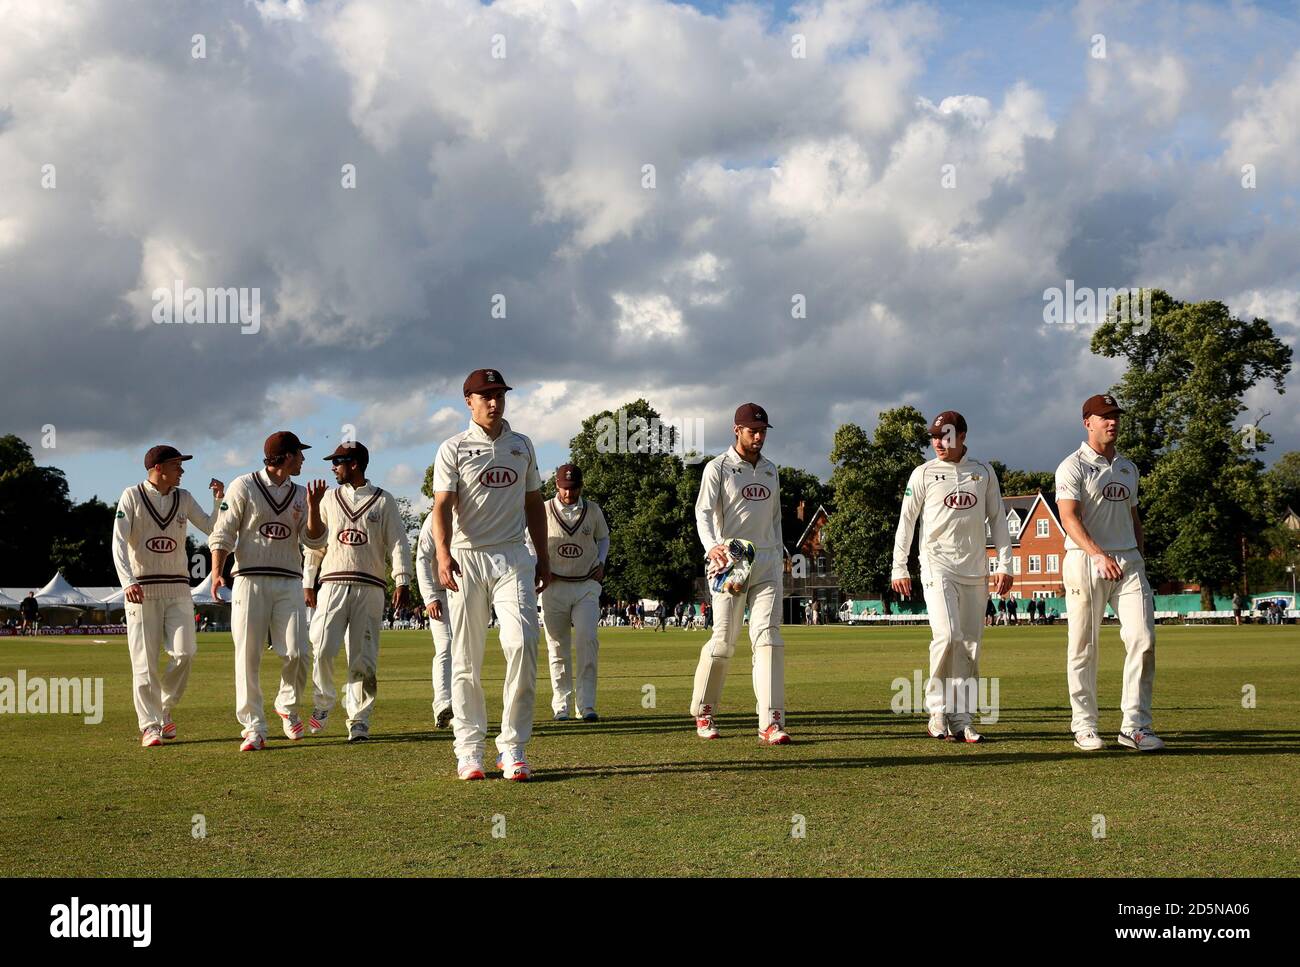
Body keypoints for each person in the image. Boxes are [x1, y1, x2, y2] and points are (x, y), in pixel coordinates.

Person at [432, 368, 549, 781]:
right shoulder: (453, 448)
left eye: (499, 394)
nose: (494, 402)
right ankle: (469, 750)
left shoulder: (522, 445)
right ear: (469, 401)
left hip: (513, 555)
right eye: (485, 396)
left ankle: (513, 747)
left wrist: (544, 556)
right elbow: (442, 506)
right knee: (466, 658)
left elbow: (535, 503)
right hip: (467, 557)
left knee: (522, 644)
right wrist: (443, 554)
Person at [890, 410, 1013, 743]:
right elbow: (907, 522)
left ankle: (962, 717)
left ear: (962, 436)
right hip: (936, 564)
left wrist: (1005, 564)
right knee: (947, 636)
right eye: (934, 437)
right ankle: (937, 711)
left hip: (975, 569)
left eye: (945, 435)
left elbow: (998, 520)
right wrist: (899, 566)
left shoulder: (983, 472)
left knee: (970, 646)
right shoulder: (923, 473)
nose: (938, 443)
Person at [1056, 393, 1163, 752]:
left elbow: (1134, 520)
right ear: (1087, 422)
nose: (1112, 422)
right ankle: (1084, 726)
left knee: (1143, 640)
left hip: (1128, 562)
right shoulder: (1072, 466)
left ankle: (1135, 726)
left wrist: (1140, 559)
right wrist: (1098, 554)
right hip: (1086, 561)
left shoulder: (1129, 468)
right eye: (1104, 417)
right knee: (1085, 646)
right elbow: (1068, 517)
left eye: (1115, 416)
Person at [210, 431, 320, 751]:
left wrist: (312, 508)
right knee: (248, 655)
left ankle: (286, 704)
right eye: (299, 453)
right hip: (249, 578)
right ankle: (253, 727)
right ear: (285, 456)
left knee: (298, 652)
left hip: (288, 580)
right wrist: (217, 572)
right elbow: (223, 533)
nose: (303, 459)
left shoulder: (301, 493)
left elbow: (313, 541)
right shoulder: (243, 485)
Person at [111, 445, 223, 747]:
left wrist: (219, 501)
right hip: (142, 590)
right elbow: (118, 541)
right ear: (159, 467)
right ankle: (149, 726)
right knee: (144, 662)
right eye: (177, 465)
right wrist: (128, 581)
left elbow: (212, 527)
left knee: (185, 653)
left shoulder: (183, 498)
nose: (182, 471)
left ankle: (163, 709)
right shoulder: (131, 495)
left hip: (178, 588)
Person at [690, 402, 788, 745]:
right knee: (724, 641)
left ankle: (771, 720)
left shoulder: (772, 470)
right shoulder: (717, 468)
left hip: (767, 562)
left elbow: (774, 518)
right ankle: (704, 710)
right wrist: (712, 546)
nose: (759, 437)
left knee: (768, 637)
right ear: (737, 430)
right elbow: (703, 513)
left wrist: (780, 553)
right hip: (731, 560)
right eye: (753, 431)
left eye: (762, 431)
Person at [302, 442, 411, 743]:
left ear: (354, 464)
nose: (332, 467)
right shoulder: (327, 498)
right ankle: (323, 703)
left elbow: (398, 542)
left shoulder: (383, 500)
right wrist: (308, 582)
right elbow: (315, 545)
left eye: (337, 461)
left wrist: (401, 579)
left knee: (363, 658)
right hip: (333, 582)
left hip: (370, 585)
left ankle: (359, 719)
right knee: (321, 646)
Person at [539, 463, 610, 722]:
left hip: (585, 585)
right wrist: (540, 567)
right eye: (565, 488)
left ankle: (587, 704)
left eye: (574, 488)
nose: (569, 494)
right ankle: (561, 705)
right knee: (557, 647)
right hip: (553, 585)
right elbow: (528, 541)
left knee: (587, 640)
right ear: (557, 485)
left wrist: (601, 563)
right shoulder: (544, 509)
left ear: (581, 486)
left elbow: (604, 537)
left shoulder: (593, 510)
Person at [415, 511, 454, 729]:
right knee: (446, 647)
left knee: (467, 651)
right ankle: (442, 706)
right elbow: (422, 558)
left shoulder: (472, 511)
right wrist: (429, 597)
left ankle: (462, 706)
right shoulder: (434, 517)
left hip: (468, 593)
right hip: (440, 594)